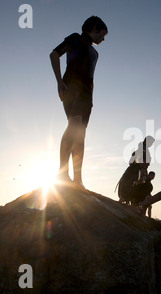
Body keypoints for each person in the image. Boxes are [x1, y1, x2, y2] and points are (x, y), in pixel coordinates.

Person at [50, 16, 108, 190]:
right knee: (74, 125)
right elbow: (54, 54)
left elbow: (90, 77)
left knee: (80, 135)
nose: (103, 39)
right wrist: (59, 81)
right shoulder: (75, 38)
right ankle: (62, 173)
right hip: (71, 88)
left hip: (87, 97)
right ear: (95, 28)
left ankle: (78, 179)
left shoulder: (95, 53)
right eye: (103, 34)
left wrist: (91, 99)